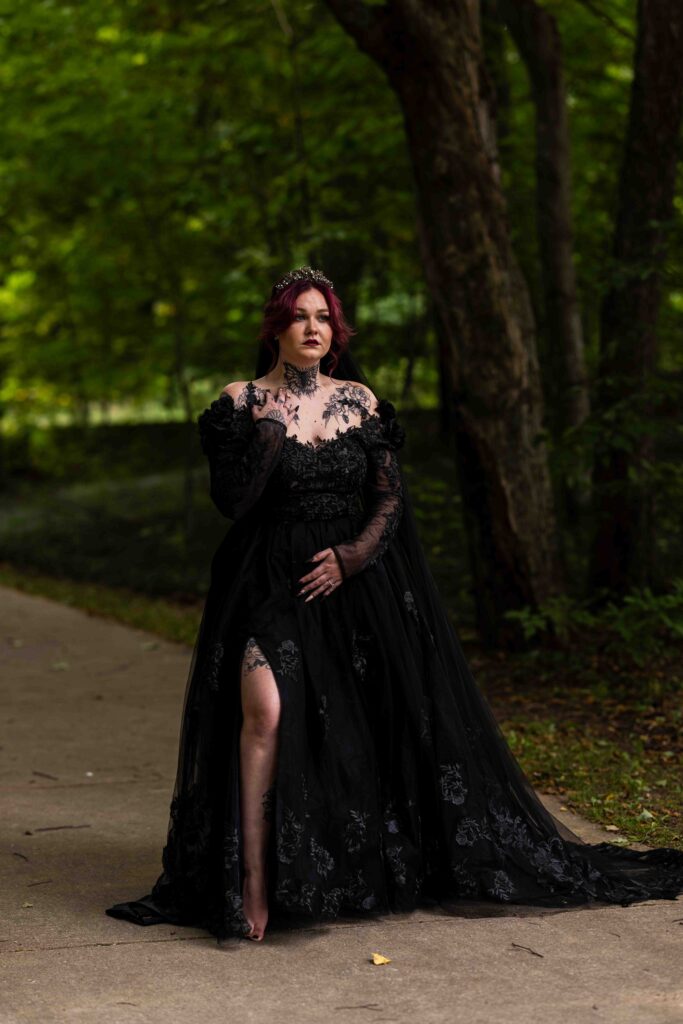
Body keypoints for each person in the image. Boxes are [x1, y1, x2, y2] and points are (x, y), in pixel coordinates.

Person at [106, 265, 683, 943]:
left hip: (353, 583)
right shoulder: (240, 401)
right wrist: (268, 431)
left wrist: (352, 558)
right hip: (268, 580)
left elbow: (388, 499)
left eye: (324, 317)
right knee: (263, 710)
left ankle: (339, 871)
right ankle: (253, 881)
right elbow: (232, 502)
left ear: (337, 330)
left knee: (357, 726)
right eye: (299, 316)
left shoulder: (360, 401)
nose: (313, 328)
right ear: (276, 328)